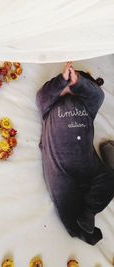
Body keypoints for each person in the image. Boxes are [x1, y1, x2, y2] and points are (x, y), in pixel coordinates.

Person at [36, 62, 114, 245]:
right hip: (59, 168)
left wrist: (77, 82)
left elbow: (98, 96)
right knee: (65, 206)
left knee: (109, 181)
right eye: (64, 88)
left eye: (74, 88)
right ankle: (79, 229)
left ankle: (88, 212)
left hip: (88, 163)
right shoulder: (48, 108)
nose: (68, 91)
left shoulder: (88, 106)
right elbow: (41, 96)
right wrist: (61, 81)